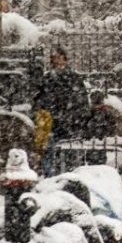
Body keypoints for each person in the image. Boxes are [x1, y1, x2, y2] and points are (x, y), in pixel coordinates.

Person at [33, 46, 91, 176]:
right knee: (50, 158)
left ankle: (70, 180)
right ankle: (51, 181)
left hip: (70, 125)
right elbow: (38, 101)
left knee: (70, 159)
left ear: (65, 60)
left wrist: (78, 119)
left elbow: (82, 102)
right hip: (51, 126)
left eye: (60, 58)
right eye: (54, 59)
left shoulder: (74, 79)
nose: (57, 62)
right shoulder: (46, 79)